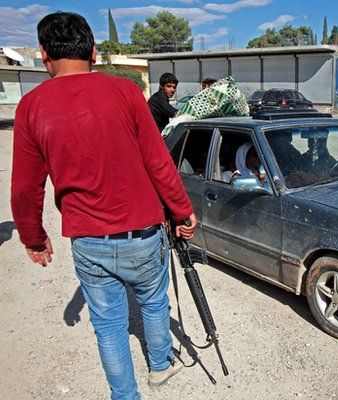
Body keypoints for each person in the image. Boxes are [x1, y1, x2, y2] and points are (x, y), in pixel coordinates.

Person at [10, 12, 198, 400]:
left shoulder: (30, 107)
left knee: (109, 325)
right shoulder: (126, 93)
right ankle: (160, 368)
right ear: (93, 52)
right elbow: (158, 161)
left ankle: (124, 395)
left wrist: (33, 236)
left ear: (44, 54)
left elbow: (26, 188)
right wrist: (182, 211)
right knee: (153, 302)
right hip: (142, 235)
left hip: (88, 241)